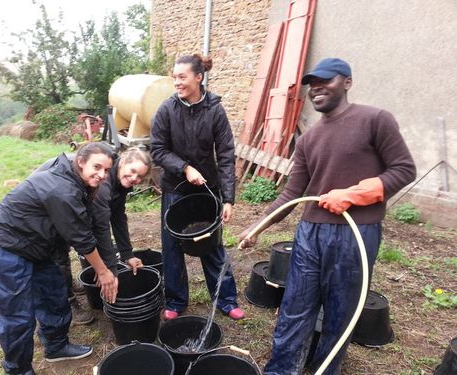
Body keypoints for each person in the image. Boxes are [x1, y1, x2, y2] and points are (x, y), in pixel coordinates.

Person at [239, 58, 416, 374]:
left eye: (325, 80)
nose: (316, 87)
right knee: (295, 307)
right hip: (309, 233)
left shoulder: (374, 120)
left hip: (356, 234)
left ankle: (325, 369)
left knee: (339, 313)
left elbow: (404, 169)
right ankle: (281, 369)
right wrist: (258, 226)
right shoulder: (308, 138)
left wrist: (352, 195)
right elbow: (293, 193)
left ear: (347, 82)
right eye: (312, 83)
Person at [0, 142, 119, 375]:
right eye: (97, 167)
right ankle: (18, 370)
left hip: (36, 245)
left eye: (106, 170)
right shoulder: (61, 189)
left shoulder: (76, 180)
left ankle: (56, 346)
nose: (102, 175)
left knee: (55, 294)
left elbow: (88, 227)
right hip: (3, 246)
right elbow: (81, 238)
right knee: (18, 316)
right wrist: (104, 272)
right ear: (80, 162)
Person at [150, 54, 245, 321]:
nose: (176, 82)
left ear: (198, 77)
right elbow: (157, 150)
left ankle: (226, 299)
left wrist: (228, 198)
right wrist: (184, 167)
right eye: (175, 77)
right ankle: (176, 300)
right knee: (172, 245)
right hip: (175, 187)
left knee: (212, 244)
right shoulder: (166, 109)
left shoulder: (214, 110)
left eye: (182, 77)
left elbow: (226, 155)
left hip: (207, 188)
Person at [43, 147, 152, 325]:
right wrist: (109, 270)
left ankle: (68, 284)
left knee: (79, 241)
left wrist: (127, 254)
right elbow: (100, 227)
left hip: (71, 199)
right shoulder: (104, 182)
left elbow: (117, 216)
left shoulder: (119, 180)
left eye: (140, 177)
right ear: (123, 162)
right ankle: (67, 300)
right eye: (132, 171)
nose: (135, 179)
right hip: (51, 197)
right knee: (59, 248)